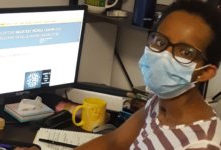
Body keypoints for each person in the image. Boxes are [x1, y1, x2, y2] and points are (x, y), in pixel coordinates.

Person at [76, 0, 221, 149]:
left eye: (185, 52)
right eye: (160, 41)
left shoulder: (202, 144)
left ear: (205, 72)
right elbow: (113, 142)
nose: (164, 56)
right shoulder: (158, 103)